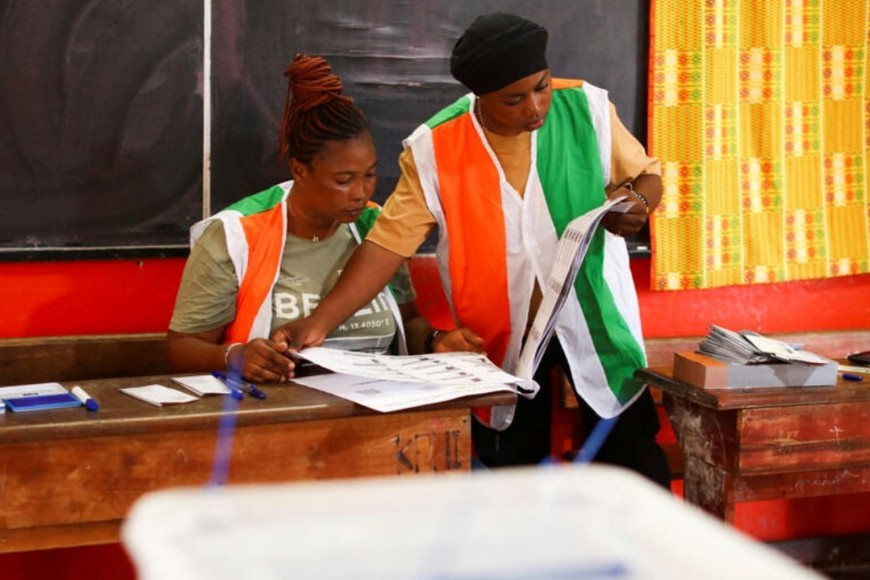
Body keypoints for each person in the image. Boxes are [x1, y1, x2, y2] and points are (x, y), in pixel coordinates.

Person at [273, 14, 671, 488]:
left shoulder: (584, 106)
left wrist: (640, 204)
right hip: (500, 338)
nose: (535, 108)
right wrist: (318, 323)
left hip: (595, 315)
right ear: (481, 97)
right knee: (510, 472)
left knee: (631, 460)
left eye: (541, 87)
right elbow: (386, 245)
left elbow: (646, 174)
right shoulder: (436, 146)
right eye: (514, 99)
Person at [166, 54, 483, 384]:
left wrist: (437, 341)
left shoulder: (375, 226)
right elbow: (181, 349)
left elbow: (409, 322)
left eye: (370, 175)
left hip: (378, 404)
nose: (360, 193)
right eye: (343, 180)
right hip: (278, 412)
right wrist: (234, 356)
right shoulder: (236, 236)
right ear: (300, 171)